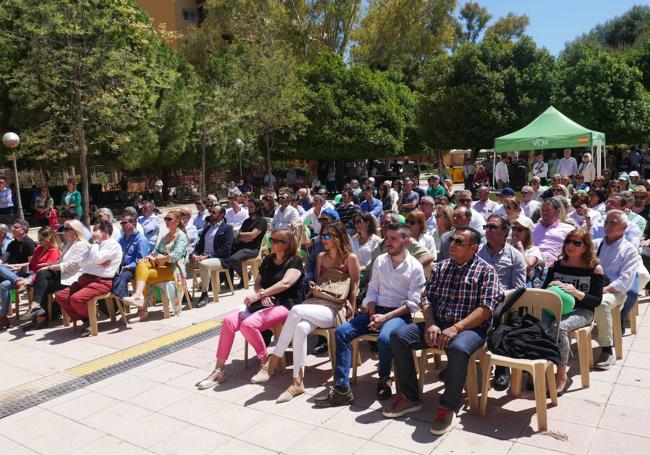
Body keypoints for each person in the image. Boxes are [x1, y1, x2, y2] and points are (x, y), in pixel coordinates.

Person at [384, 227, 503, 435]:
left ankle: (448, 406)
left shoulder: (486, 271)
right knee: (398, 336)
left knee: (457, 348)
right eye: (451, 240)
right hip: (438, 323)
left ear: (473, 248)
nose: (452, 245)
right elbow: (426, 298)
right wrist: (430, 323)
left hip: (470, 328)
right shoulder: (441, 267)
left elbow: (485, 309)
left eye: (459, 242)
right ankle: (410, 397)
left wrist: (456, 328)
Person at [316, 224, 426, 406]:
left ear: (405, 242)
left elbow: (413, 303)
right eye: (386, 238)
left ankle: (384, 378)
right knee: (342, 332)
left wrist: (385, 318)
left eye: (393, 239)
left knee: (384, 338)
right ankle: (342, 388)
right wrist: (374, 313)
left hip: (398, 315)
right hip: (377, 311)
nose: (388, 242)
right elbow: (372, 290)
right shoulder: (381, 260)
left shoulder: (415, 267)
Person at [251, 222, 361, 403]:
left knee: (295, 309)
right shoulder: (320, 257)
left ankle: (272, 364)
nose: (323, 240)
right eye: (322, 236)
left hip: (336, 308)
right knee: (300, 328)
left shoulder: (350, 258)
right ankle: (297, 382)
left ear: (339, 238)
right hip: (317, 303)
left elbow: (354, 288)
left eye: (327, 236)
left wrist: (352, 312)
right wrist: (312, 284)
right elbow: (321, 284)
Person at [196, 229, 304, 389]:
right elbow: (257, 283)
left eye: (275, 241)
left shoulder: (295, 261)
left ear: (286, 245)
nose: (270, 243)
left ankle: (265, 363)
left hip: (284, 304)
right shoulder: (268, 259)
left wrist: (260, 294)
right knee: (228, 321)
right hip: (262, 304)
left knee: (248, 325)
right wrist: (262, 294)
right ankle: (219, 370)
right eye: (270, 239)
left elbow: (286, 283)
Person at [541, 228, 604, 394]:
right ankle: (540, 367)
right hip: (554, 307)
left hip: (583, 310)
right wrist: (552, 287)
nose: (571, 245)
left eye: (577, 243)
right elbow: (543, 290)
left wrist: (576, 292)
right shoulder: (557, 265)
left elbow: (597, 301)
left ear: (585, 247)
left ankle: (561, 374)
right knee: (539, 323)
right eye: (568, 241)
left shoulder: (594, 269)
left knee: (559, 327)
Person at [477, 214, 527, 391]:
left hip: (504, 301)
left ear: (505, 231)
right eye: (486, 227)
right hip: (477, 299)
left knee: (500, 318)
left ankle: (501, 368)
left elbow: (519, 288)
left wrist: (497, 295)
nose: (488, 231)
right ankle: (458, 362)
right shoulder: (477, 252)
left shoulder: (515, 256)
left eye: (493, 227)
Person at [55, 220, 122, 337]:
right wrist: (95, 261)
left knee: (76, 299)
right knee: (61, 296)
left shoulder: (112, 245)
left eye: (96, 229)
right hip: (85, 279)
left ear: (105, 231)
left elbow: (94, 259)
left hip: (101, 281)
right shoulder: (94, 246)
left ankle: (89, 320)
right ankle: (86, 319)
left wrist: (95, 250)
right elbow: (81, 262)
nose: (93, 232)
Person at [21, 221, 90, 329]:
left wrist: (51, 267)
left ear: (75, 231)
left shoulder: (82, 244)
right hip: (64, 275)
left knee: (40, 283)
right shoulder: (68, 243)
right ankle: (37, 310)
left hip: (75, 277)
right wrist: (50, 266)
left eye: (67, 229)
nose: (63, 232)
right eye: (63, 229)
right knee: (41, 277)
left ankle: (41, 317)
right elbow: (61, 261)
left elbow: (73, 265)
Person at [122, 210, 189, 321]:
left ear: (177, 221)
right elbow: (156, 250)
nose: (166, 221)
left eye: (169, 219)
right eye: (165, 219)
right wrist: (150, 257)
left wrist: (161, 259)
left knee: (140, 276)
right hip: (159, 265)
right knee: (142, 263)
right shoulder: (165, 235)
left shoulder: (181, 236)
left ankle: (142, 310)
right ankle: (138, 294)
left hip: (173, 269)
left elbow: (176, 256)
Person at [593, 210, 638, 369]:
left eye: (613, 223)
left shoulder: (629, 250)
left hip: (614, 292)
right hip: (593, 287)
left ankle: (607, 349)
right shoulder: (596, 243)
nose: (608, 226)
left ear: (624, 227)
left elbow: (625, 281)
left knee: (601, 304)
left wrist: (604, 289)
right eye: (606, 222)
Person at [190, 206, 234, 307]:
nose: (211, 214)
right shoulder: (207, 228)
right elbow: (199, 245)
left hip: (219, 258)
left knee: (204, 264)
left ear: (221, 215)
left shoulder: (227, 228)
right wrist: (194, 255)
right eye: (211, 212)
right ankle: (184, 294)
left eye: (214, 213)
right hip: (203, 257)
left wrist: (209, 256)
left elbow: (226, 248)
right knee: (182, 263)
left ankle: (204, 294)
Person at [0, 220, 37, 331]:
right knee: (4, 284)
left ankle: (2, 317)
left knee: (3, 281)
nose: (12, 229)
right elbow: (3, 259)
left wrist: (17, 265)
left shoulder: (29, 243)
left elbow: (33, 264)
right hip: (12, 273)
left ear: (24, 229)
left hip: (24, 273)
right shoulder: (12, 243)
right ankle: (3, 317)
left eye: (16, 227)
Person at [229, 199, 267, 287]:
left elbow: (252, 235)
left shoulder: (261, 221)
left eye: (251, 207)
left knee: (234, 259)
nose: (249, 209)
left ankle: (245, 276)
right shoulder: (246, 221)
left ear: (257, 208)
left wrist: (239, 235)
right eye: (248, 207)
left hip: (253, 249)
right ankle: (227, 280)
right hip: (241, 246)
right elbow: (244, 237)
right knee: (225, 255)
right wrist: (242, 237)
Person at [111, 215, 150, 302]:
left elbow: (141, 260)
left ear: (133, 224)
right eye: (121, 223)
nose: (122, 225)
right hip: (120, 265)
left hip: (133, 268)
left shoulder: (141, 239)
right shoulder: (122, 239)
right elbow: (115, 251)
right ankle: (117, 303)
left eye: (124, 223)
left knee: (123, 276)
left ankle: (123, 300)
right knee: (107, 276)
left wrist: (129, 266)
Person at [532, 198, 575, 268]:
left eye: (548, 210)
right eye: (543, 210)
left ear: (558, 211)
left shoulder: (568, 229)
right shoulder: (532, 228)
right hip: (532, 265)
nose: (544, 213)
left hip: (554, 267)